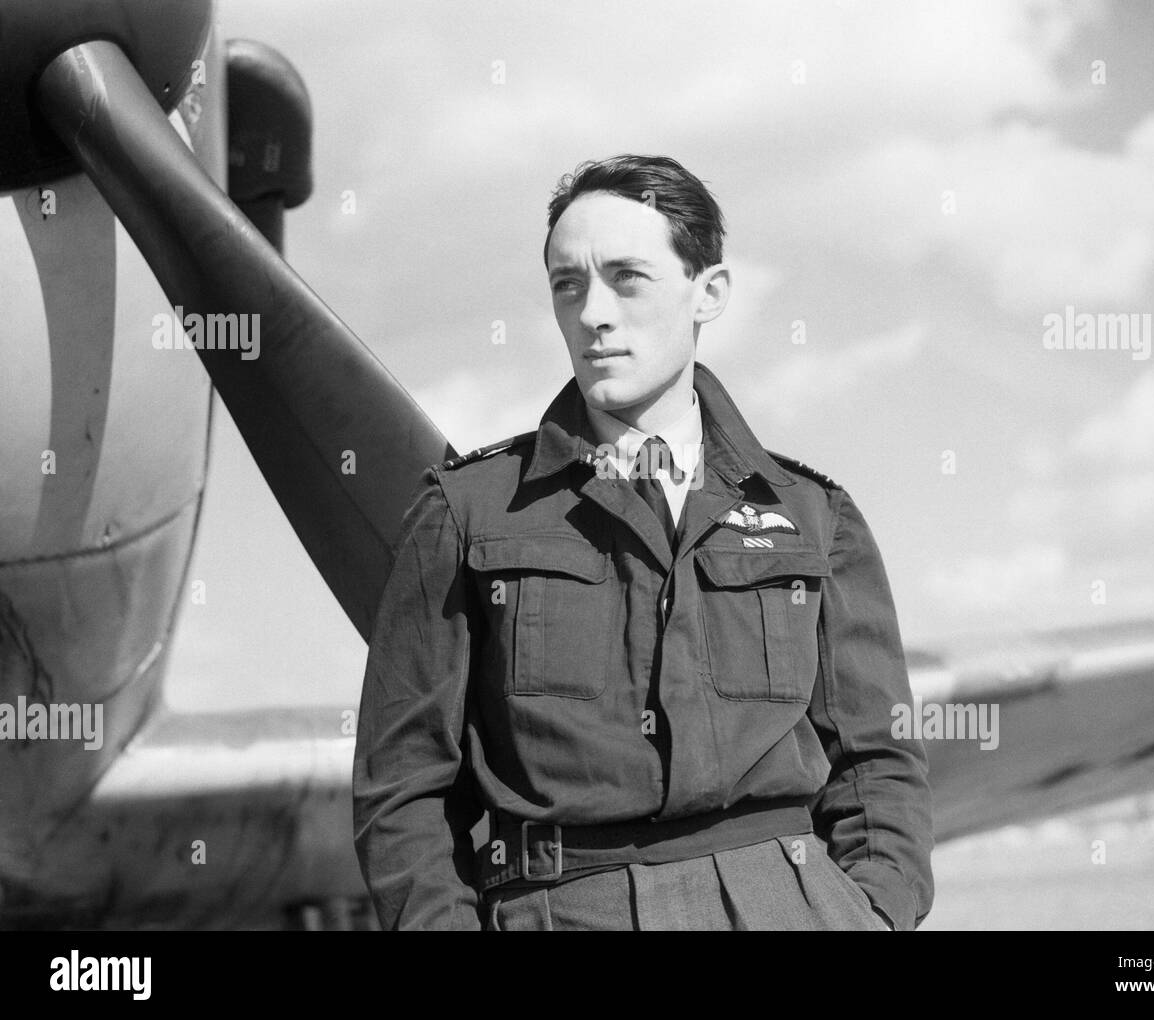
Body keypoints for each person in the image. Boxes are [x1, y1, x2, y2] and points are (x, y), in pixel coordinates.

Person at [352, 154, 934, 931]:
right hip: (562, 905)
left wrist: (874, 912)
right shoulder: (464, 513)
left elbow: (877, 762)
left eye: (627, 278)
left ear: (709, 293)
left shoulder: (814, 515)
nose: (592, 313)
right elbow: (402, 789)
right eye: (568, 284)